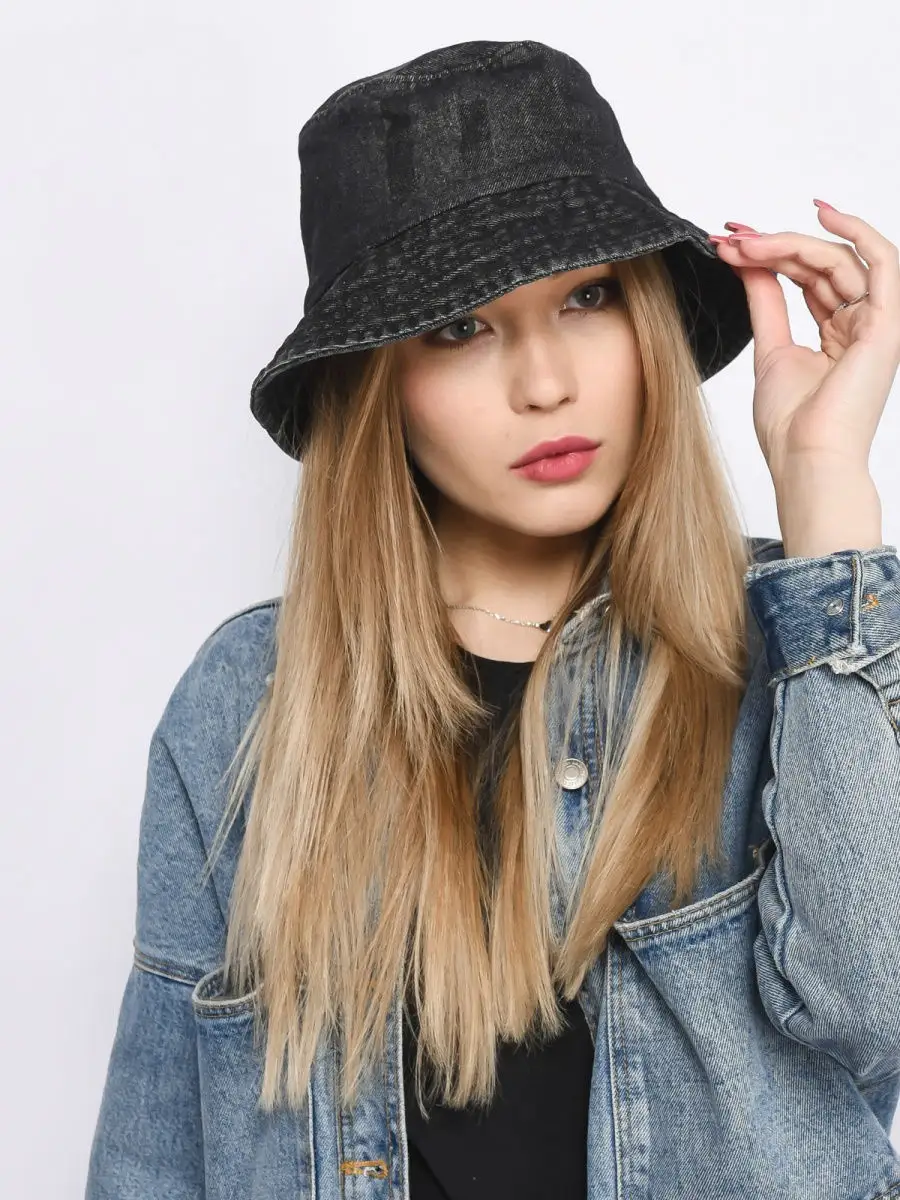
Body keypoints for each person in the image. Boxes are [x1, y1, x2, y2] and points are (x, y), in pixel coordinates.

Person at [85, 38, 900, 1200]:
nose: (546, 384)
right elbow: (153, 1160)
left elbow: (874, 1009)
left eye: (588, 297)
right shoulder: (245, 704)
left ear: (649, 320)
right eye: (460, 327)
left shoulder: (806, 646)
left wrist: (827, 501)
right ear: (378, 383)